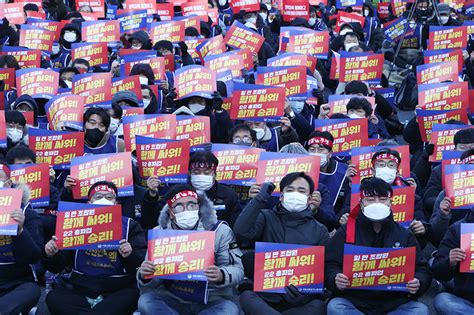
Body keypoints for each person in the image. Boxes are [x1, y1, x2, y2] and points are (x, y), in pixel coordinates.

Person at [325, 177, 431, 314]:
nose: (376, 203)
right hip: (355, 301)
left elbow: (422, 269)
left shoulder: (404, 235)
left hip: (394, 302)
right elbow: (330, 264)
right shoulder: (346, 232)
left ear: (390, 203)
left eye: (382, 199)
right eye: (370, 199)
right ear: (361, 203)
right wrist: (335, 278)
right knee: (335, 307)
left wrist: (418, 282)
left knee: (419, 310)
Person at [137, 184, 244, 314]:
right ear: (171, 213)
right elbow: (150, 280)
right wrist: (145, 275)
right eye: (179, 206)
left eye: (191, 204)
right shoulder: (160, 233)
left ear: (198, 207)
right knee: (145, 302)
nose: (187, 209)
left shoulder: (220, 230)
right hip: (172, 296)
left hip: (211, 298)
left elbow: (238, 269)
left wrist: (222, 275)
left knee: (229, 310)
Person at [43, 181, 147, 315]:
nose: (104, 199)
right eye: (98, 196)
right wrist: (52, 254)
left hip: (116, 291)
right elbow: (58, 266)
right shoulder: (75, 224)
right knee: (53, 298)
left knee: (132, 297)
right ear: (89, 203)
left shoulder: (130, 226)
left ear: (116, 203)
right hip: (80, 289)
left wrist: (130, 254)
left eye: (109, 197)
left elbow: (140, 264)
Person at [234, 172, 329, 314]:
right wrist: (260, 199)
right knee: (246, 297)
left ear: (309, 198)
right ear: (282, 196)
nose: (295, 193)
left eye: (301, 191)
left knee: (318, 306)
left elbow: (324, 269)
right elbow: (241, 232)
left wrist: (306, 295)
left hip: (298, 301)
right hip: (264, 297)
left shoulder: (320, 229)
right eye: (290, 190)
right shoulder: (266, 217)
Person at [0, 163, 43, 315]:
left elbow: (34, 256)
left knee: (31, 291)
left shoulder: (27, 214)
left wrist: (20, 231)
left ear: (9, 183)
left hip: (17, 282)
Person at [432, 206, 474, 314]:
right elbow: (437, 270)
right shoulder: (458, 229)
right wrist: (450, 261)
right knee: (442, 301)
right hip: (467, 298)